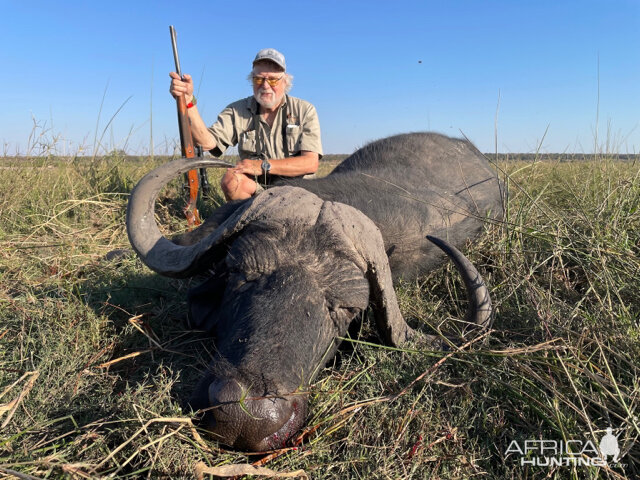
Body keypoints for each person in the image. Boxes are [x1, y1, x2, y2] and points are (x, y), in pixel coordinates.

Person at [169, 48, 322, 200]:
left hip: (297, 193)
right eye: (258, 79)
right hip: (257, 193)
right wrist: (189, 102)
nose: (265, 85)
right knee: (231, 180)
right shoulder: (237, 110)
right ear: (252, 80)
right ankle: (246, 222)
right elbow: (207, 143)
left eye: (273, 79)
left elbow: (310, 163)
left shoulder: (305, 110)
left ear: (285, 81)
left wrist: (262, 166)